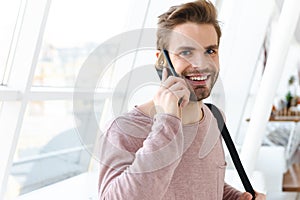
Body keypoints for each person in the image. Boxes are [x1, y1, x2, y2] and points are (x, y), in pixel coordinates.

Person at [98, 0, 266, 199]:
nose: (201, 64)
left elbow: (205, 182)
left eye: (210, 51)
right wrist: (168, 121)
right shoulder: (123, 129)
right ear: (162, 60)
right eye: (186, 52)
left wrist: (235, 197)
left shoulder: (214, 118)